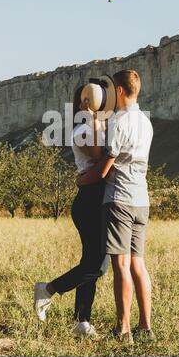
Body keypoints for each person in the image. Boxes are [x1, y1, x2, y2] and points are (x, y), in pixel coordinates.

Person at [77, 70, 154, 344]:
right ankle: (145, 326)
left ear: (119, 90)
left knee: (120, 265)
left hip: (119, 198)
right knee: (138, 265)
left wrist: (81, 179)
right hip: (141, 200)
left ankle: (123, 329)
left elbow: (102, 169)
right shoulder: (147, 123)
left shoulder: (119, 123)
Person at [34, 85, 109, 338]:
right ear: (83, 103)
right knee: (98, 265)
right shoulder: (83, 129)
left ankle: (81, 322)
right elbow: (100, 157)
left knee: (93, 262)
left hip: (97, 197)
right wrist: (95, 120)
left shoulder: (95, 125)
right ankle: (48, 289)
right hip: (90, 200)